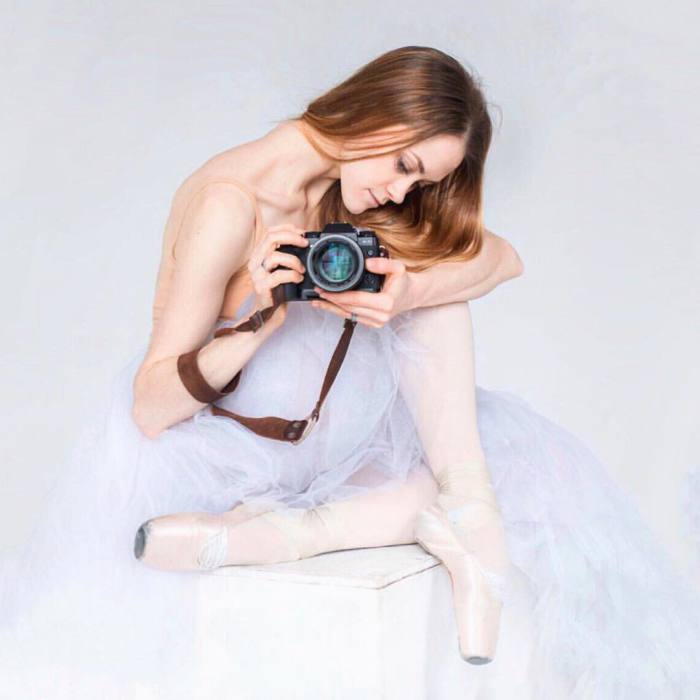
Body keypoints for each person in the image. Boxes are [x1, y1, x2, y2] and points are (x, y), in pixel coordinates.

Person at [1, 45, 698, 699]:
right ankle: (443, 532)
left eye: (419, 182)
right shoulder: (231, 202)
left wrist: (411, 290)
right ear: (375, 114)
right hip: (234, 444)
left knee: (450, 324)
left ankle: (313, 532)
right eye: (405, 166)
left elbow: (503, 259)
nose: (399, 193)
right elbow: (150, 406)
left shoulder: (346, 195)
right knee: (466, 463)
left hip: (325, 431)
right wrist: (258, 320)